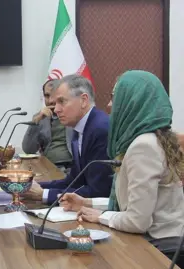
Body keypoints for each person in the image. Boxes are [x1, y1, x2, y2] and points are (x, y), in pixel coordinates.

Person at [59, 70, 184, 266]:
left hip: (158, 250)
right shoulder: (153, 139)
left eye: (114, 97)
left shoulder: (144, 146)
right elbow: (133, 202)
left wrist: (101, 216)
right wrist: (88, 203)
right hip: (159, 242)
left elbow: (137, 221)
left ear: (133, 103)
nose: (109, 105)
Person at [22, 74, 113, 205]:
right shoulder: (79, 126)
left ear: (83, 100)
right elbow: (75, 180)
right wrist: (35, 187)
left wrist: (43, 195)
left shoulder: (100, 129)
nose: (56, 109)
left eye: (62, 102)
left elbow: (99, 191)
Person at [22, 79, 73, 166]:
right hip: (47, 165)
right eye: (47, 96)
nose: (50, 100)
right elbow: (28, 150)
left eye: (54, 95)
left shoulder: (73, 114)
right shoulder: (40, 117)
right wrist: (35, 122)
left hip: (71, 165)